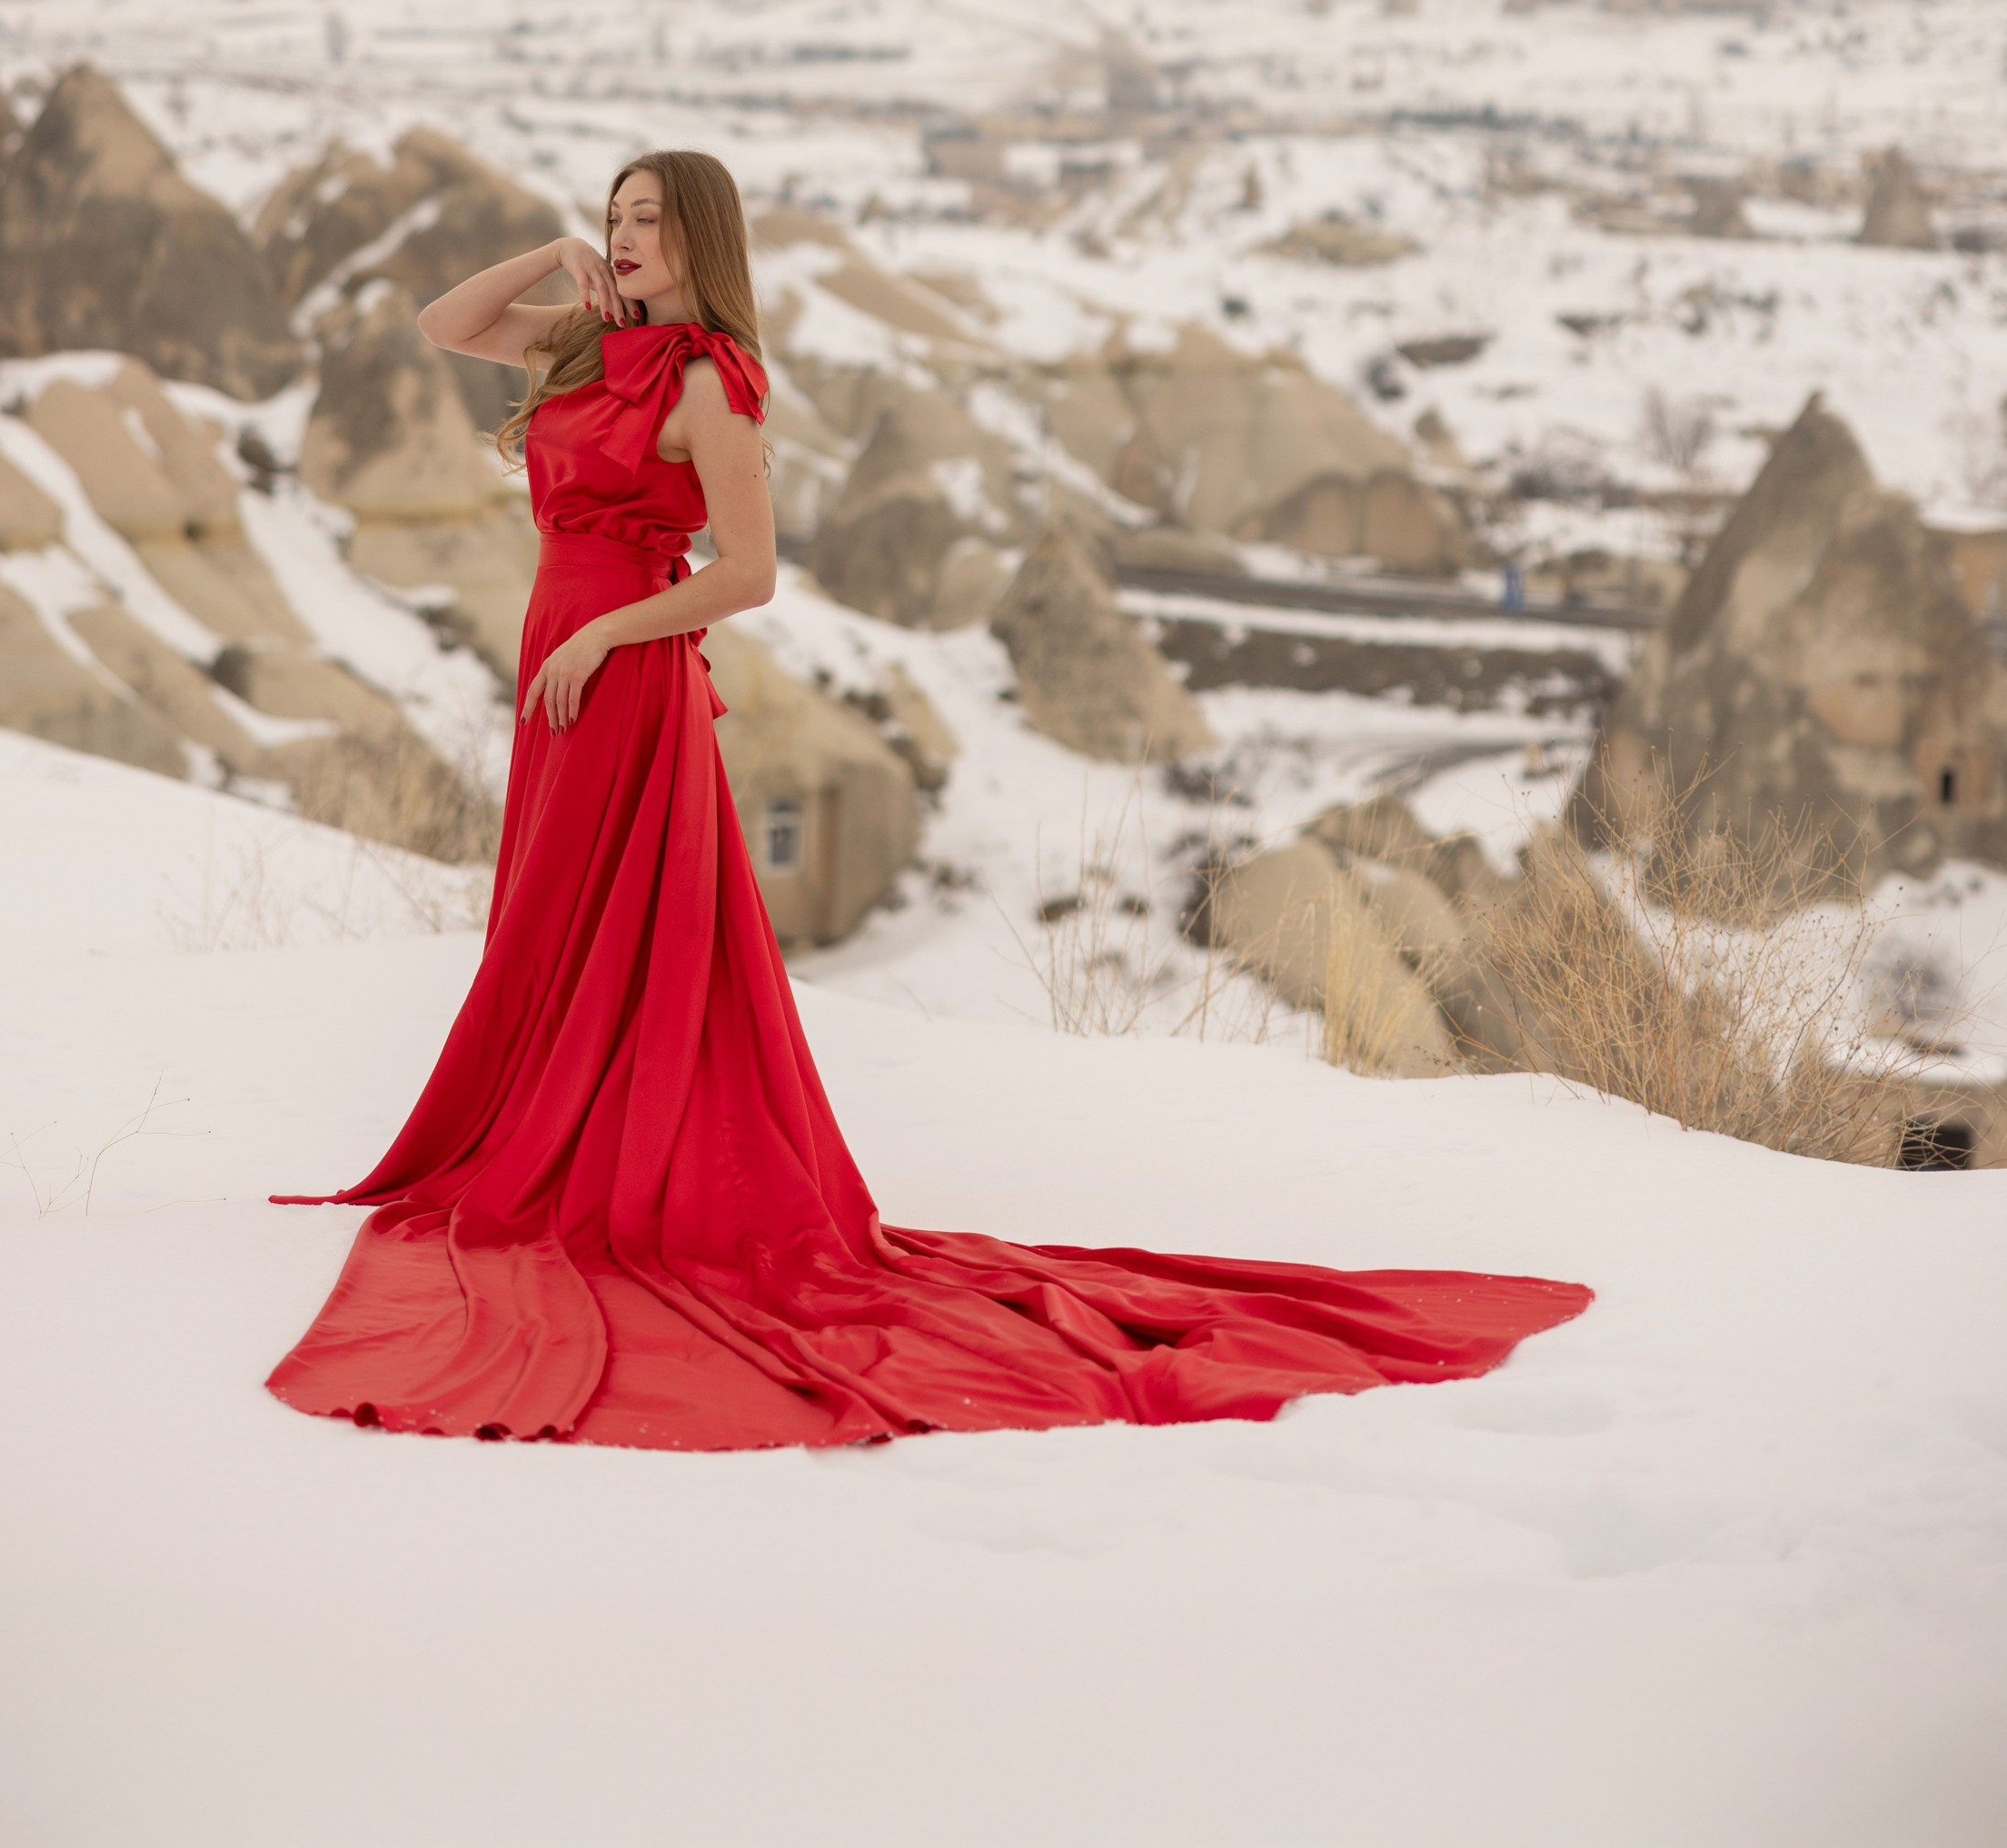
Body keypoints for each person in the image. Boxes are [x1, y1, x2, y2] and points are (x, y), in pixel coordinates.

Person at [269, 150, 1588, 1448]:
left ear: (701, 241)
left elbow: (750, 574)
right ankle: (540, 1131)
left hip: (615, 667)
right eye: (612, 217)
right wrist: (556, 258)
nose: (622, 239)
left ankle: (595, 1153)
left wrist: (601, 640)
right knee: (554, 914)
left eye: (649, 223)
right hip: (561, 657)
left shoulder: (706, 388)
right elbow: (445, 324)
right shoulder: (580, 342)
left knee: (614, 917)